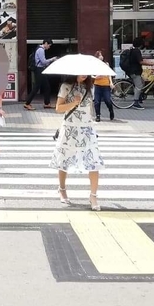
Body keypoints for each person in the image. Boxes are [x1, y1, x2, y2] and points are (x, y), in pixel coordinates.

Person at [51, 74, 103, 211]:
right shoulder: (66, 87)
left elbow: (90, 109)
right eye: (81, 71)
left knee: (93, 162)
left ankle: (93, 196)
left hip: (86, 129)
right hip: (69, 128)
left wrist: (93, 125)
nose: (84, 74)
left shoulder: (89, 87)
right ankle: (62, 189)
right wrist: (73, 103)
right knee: (64, 160)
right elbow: (58, 108)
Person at [24, 40, 53, 110]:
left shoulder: (38, 48)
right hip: (39, 70)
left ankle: (47, 103)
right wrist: (52, 59)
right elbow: (43, 61)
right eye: (49, 45)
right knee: (36, 87)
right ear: (46, 43)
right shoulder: (41, 50)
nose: (49, 47)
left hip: (40, 70)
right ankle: (27, 103)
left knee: (47, 87)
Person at [120, 42, 145, 109]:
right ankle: (136, 103)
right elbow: (140, 62)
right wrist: (153, 63)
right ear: (141, 44)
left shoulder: (132, 50)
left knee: (142, 82)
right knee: (138, 86)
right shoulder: (137, 51)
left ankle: (139, 97)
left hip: (131, 71)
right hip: (135, 72)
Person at [93, 51, 115, 121]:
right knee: (97, 101)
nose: (101, 56)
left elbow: (109, 74)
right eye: (99, 55)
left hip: (106, 85)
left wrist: (111, 82)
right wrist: (96, 77)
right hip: (97, 85)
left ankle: (111, 110)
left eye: (101, 55)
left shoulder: (106, 64)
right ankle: (98, 115)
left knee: (107, 100)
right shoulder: (94, 65)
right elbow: (91, 75)